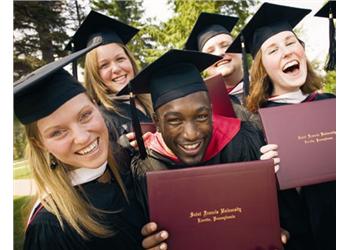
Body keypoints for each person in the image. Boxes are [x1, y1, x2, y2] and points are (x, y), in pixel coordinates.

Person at [125, 49, 284, 249]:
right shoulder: (144, 169)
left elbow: (273, 215)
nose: (191, 134)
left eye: (201, 116)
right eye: (174, 121)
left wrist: (276, 228)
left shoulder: (243, 140)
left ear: (210, 111)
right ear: (156, 121)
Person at [14, 45, 168, 250]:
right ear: (40, 144)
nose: (82, 137)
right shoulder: (51, 227)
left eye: (85, 115)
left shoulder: (128, 168)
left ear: (97, 108)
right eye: (58, 132)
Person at [226, 3, 335, 250]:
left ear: (302, 50)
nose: (287, 52)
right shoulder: (253, 126)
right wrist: (265, 176)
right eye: (273, 49)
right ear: (262, 68)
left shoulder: (333, 105)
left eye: (290, 42)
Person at [67, 10, 153, 139]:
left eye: (120, 59)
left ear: (130, 60)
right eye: (104, 65)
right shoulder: (103, 119)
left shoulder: (151, 99)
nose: (116, 69)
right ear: (95, 75)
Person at [185, 12, 262, 128]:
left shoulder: (268, 86)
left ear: (240, 51)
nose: (219, 53)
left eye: (225, 45)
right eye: (210, 51)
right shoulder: (204, 105)